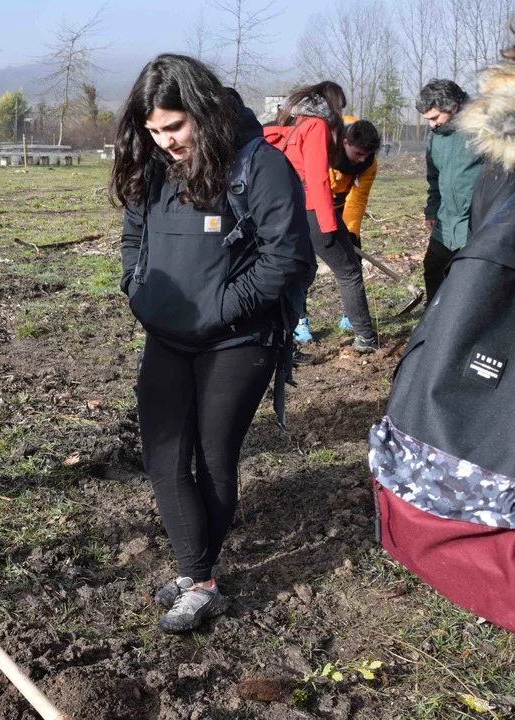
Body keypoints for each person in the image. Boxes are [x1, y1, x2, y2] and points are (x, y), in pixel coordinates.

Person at [111, 54, 313, 632]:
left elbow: (286, 256)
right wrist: (137, 290)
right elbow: (134, 237)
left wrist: (220, 308)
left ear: (201, 111)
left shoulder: (259, 165)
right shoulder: (151, 164)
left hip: (239, 339)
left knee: (213, 455)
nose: (165, 141)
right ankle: (195, 571)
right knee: (164, 456)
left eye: (174, 127)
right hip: (166, 335)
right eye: (153, 130)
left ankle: (198, 580)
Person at [369, 38, 515, 638]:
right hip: (470, 245)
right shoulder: (497, 152)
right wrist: (438, 217)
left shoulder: (491, 144)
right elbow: (448, 187)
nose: (433, 123)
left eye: (438, 115)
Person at [264, 82, 380, 355]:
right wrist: (328, 227)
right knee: (349, 271)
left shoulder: (289, 122)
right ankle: (365, 338)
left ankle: (288, 339)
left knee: (298, 271)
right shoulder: (316, 126)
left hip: (284, 208)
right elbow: (317, 178)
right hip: (312, 208)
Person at [416, 79, 483, 301]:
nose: (432, 125)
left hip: (477, 222)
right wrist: (432, 209)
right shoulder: (435, 137)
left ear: (453, 107)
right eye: (428, 119)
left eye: (435, 118)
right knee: (433, 269)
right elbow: (434, 177)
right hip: (446, 222)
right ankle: (433, 317)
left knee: (470, 281)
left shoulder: (483, 127)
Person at [329, 118, 381, 331]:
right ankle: (300, 321)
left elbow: (358, 199)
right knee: (303, 264)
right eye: (358, 153)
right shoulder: (325, 144)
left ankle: (351, 315)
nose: (362, 159)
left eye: (367, 155)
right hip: (310, 205)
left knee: (352, 262)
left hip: (343, 205)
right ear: (345, 143)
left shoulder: (369, 163)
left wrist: (349, 232)